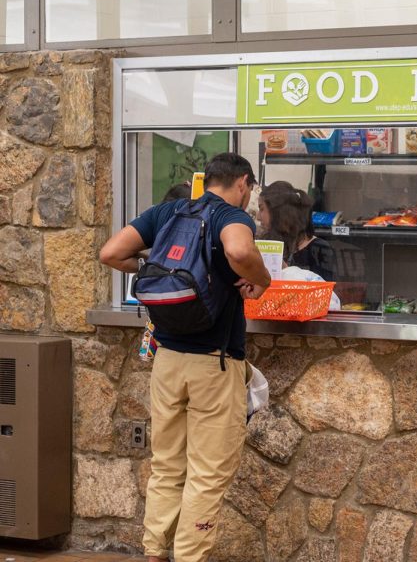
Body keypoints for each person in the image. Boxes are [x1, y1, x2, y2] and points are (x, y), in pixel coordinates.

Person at [99, 153, 271, 562]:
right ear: (243, 183)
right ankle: (191, 557)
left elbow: (110, 253)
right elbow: (240, 249)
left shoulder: (167, 212)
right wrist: (261, 280)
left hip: (167, 360)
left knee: (167, 465)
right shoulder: (231, 216)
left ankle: (155, 552)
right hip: (214, 362)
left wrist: (151, 264)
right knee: (207, 475)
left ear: (207, 178)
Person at [257, 181, 335, 281]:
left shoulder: (319, 248)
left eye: (262, 209)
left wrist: (286, 270)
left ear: (277, 212)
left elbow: (323, 292)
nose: (258, 217)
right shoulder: (267, 242)